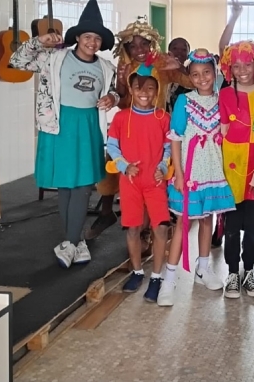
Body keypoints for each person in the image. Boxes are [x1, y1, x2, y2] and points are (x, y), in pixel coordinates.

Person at [9, 0, 119, 268]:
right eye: (87, 37)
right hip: (59, 125)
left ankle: (70, 242)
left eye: (97, 38)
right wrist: (38, 41)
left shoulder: (106, 67)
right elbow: (17, 61)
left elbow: (115, 91)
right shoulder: (54, 58)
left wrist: (113, 98)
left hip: (89, 126)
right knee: (66, 186)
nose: (92, 42)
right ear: (77, 38)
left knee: (83, 187)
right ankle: (75, 242)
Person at [87, 20, 188, 241]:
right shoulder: (125, 65)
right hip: (128, 127)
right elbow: (123, 99)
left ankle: (147, 230)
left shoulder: (162, 63)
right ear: (126, 49)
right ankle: (107, 213)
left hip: (155, 129)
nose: (139, 50)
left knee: (152, 177)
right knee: (113, 171)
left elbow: (190, 82)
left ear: (152, 44)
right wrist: (120, 85)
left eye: (144, 44)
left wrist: (179, 66)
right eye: (133, 46)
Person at [157, 49, 236, 306]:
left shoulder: (222, 99)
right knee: (183, 223)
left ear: (215, 72)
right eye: (195, 74)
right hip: (190, 171)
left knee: (206, 220)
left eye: (206, 72)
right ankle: (169, 279)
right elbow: (176, 139)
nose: (202, 78)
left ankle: (203, 268)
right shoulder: (184, 101)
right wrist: (179, 174)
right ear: (189, 77)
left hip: (213, 170)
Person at [106, 70, 171, 302]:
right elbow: (112, 146)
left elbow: (169, 147)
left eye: (150, 88)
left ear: (157, 91)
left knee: (161, 228)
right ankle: (136, 272)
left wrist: (163, 167)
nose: (144, 93)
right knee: (132, 228)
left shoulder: (163, 117)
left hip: (155, 182)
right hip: (130, 182)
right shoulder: (121, 117)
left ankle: (156, 277)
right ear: (131, 90)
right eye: (138, 88)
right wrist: (124, 166)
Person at [218, 40, 254, 300]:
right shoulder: (225, 94)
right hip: (231, 165)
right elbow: (222, 131)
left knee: (252, 225)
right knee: (231, 224)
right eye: (236, 66)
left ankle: (249, 270)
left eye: (247, 65)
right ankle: (232, 273)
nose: (242, 71)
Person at [166, 37, 192, 112]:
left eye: (184, 49)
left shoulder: (191, 73)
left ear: (188, 55)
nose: (179, 52)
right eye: (175, 48)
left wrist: (180, 67)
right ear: (169, 52)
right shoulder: (160, 72)